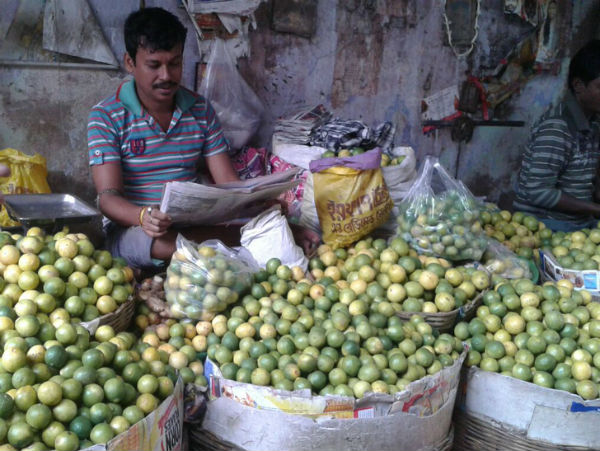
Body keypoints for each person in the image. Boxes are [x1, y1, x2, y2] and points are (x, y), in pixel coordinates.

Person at [88, 7, 318, 271]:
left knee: (262, 217)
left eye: (174, 63)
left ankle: (251, 235)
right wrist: (143, 216)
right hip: (136, 230)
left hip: (191, 225)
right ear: (130, 63)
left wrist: (259, 203)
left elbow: (229, 185)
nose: (166, 75)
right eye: (154, 65)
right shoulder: (106, 116)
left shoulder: (200, 110)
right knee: (162, 244)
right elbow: (107, 197)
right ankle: (243, 239)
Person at [514, 40, 600, 232]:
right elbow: (537, 192)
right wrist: (595, 209)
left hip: (579, 226)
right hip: (544, 226)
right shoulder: (557, 128)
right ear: (578, 85)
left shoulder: (593, 122)